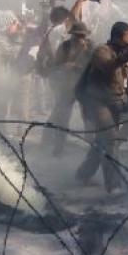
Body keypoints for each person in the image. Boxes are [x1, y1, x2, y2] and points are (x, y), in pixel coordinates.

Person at [75, 21, 128, 192]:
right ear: (117, 37)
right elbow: (108, 67)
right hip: (98, 103)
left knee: (103, 141)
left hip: (114, 103)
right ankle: (113, 186)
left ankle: (83, 174)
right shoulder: (102, 51)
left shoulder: (124, 54)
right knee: (111, 141)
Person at [40, 21, 93, 156]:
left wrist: (84, 57)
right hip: (67, 86)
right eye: (77, 36)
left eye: (82, 36)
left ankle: (92, 145)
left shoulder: (90, 46)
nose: (80, 38)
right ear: (72, 36)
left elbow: (94, 64)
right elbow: (56, 66)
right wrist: (66, 66)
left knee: (88, 116)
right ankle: (58, 145)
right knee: (61, 116)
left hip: (84, 86)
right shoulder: (64, 46)